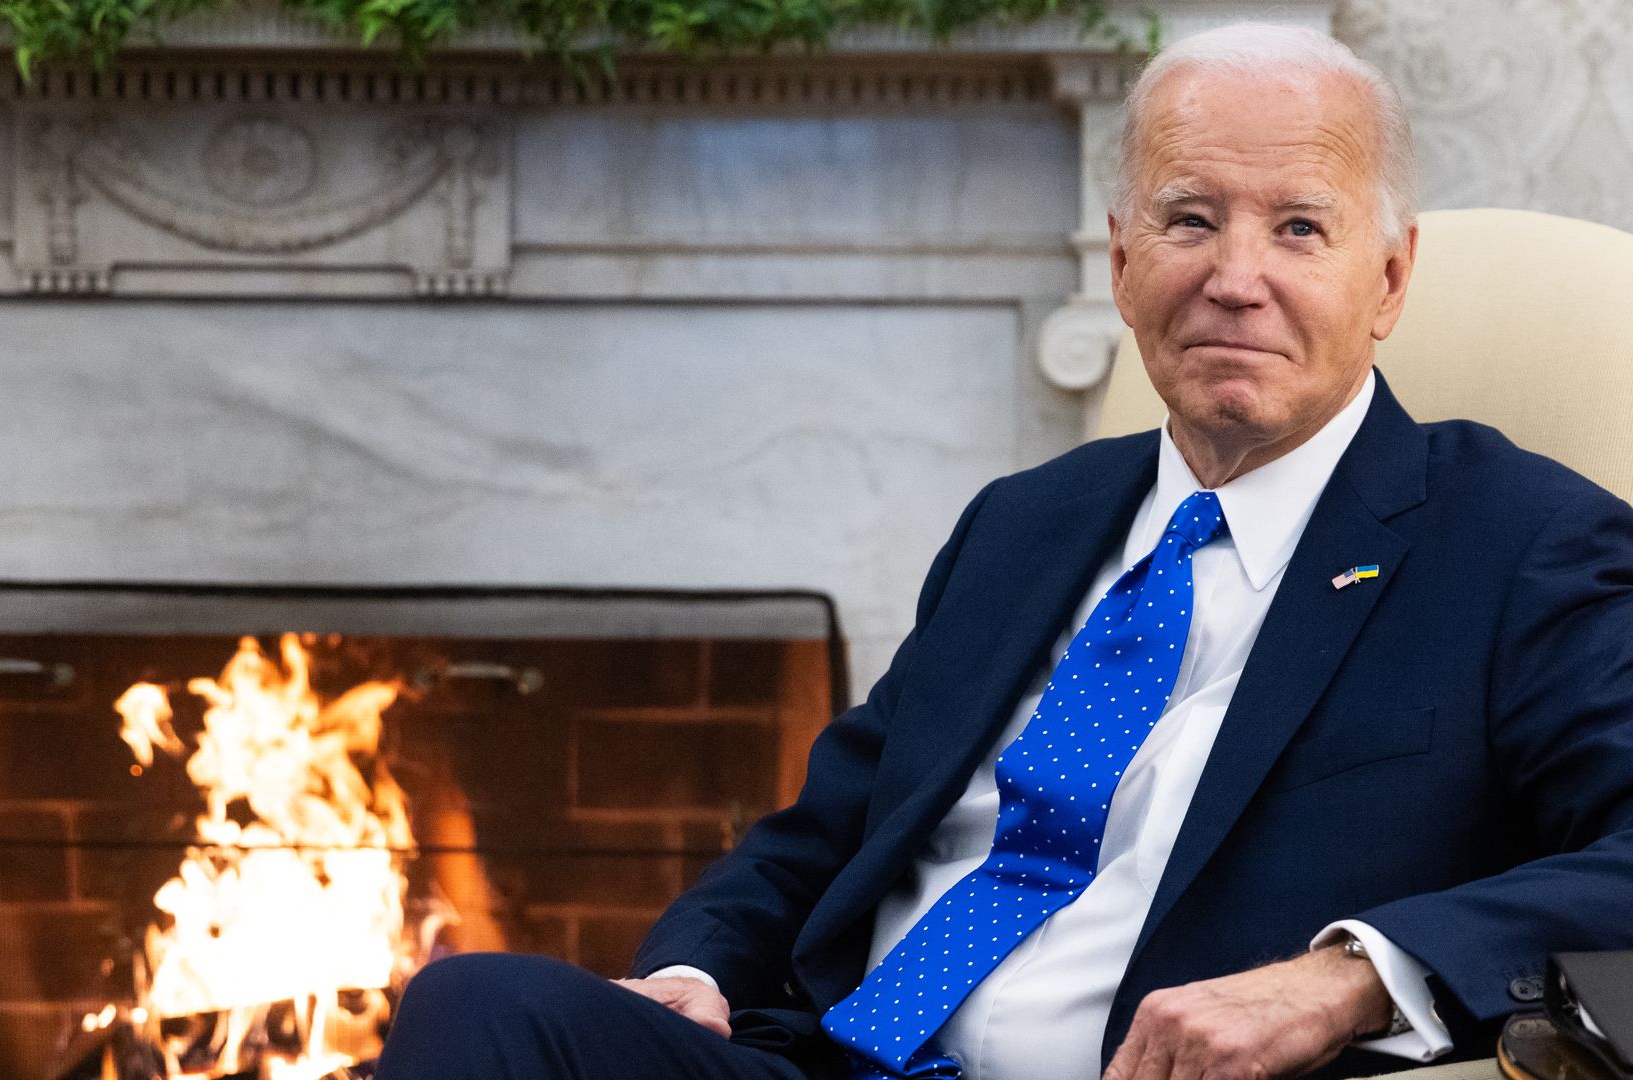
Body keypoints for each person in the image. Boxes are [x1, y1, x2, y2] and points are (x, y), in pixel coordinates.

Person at [377, 22, 1633, 1080]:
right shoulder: (1027, 522)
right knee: (474, 1008)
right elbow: (823, 833)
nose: (1235, 278)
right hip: (829, 1057)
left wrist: (1351, 975)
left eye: (1300, 229)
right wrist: (695, 970)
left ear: (1393, 278)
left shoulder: (1520, 543)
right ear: (1123, 259)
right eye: (1189, 219)